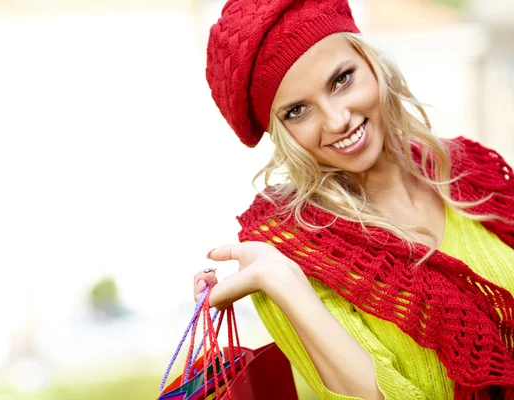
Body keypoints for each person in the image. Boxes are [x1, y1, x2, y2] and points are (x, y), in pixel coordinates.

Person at [192, 0, 514, 399]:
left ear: (371, 61)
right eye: (297, 111)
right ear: (279, 132)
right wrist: (286, 283)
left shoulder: (471, 170)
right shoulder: (288, 253)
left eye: (341, 79)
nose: (336, 120)